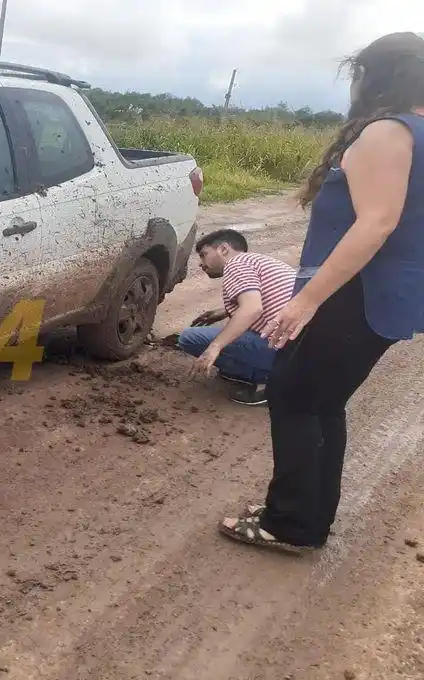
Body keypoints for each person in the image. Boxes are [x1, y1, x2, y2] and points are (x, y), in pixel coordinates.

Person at [220, 32, 424, 553]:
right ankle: (304, 515)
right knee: (322, 402)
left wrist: (307, 300)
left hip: (354, 291)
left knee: (295, 397)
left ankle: (289, 524)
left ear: (380, 75)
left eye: (358, 72)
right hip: (382, 293)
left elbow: (376, 224)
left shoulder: (388, 132)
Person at [177, 229, 296, 406]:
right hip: (307, 349)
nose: (201, 265)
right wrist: (225, 311)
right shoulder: (257, 261)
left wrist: (215, 347)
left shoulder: (235, 264)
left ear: (224, 249)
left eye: (203, 255)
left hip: (289, 353)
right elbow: (267, 298)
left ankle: (276, 382)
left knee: (189, 338)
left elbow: (252, 309)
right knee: (235, 329)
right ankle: (267, 374)